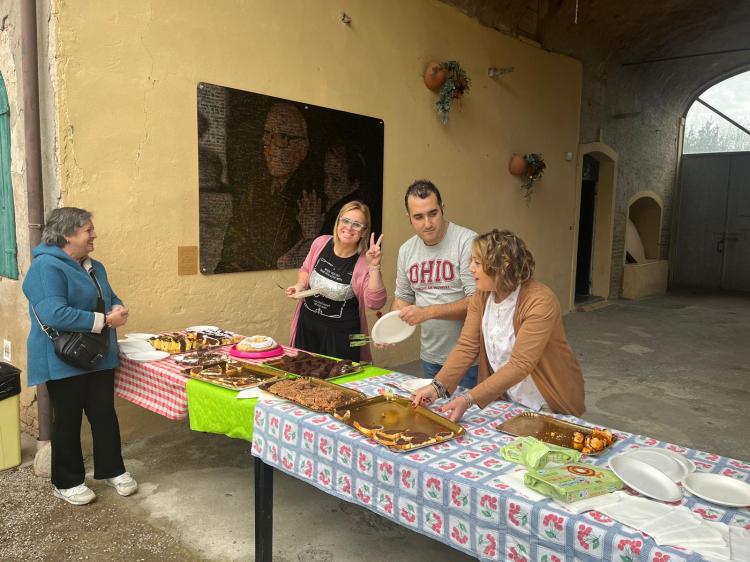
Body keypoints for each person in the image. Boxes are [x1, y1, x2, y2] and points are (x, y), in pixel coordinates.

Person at [22, 208, 137, 505]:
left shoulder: (95, 266)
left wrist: (116, 308)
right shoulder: (46, 267)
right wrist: (105, 321)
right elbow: (53, 313)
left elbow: (109, 297)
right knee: (68, 420)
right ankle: (67, 482)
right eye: (88, 230)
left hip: (98, 354)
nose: (94, 234)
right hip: (63, 357)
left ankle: (113, 470)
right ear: (66, 234)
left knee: (104, 414)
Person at [412, 229, 586, 422]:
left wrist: (469, 398)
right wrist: (437, 387)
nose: (470, 268)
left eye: (477, 263)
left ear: (502, 266)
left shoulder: (540, 301)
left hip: (547, 399)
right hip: (508, 397)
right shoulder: (482, 295)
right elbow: (467, 346)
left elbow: (520, 364)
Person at [390, 180, 479, 387]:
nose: (428, 223)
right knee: (434, 407)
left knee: (467, 408)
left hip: (467, 358)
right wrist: (389, 329)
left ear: (442, 208)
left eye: (433, 213)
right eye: (418, 217)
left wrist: (427, 312)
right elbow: (403, 298)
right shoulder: (406, 251)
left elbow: (478, 302)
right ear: (409, 218)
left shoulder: (467, 241)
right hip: (430, 355)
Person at [286, 201, 386, 362]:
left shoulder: (364, 262)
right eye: (345, 220)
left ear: (364, 231)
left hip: (342, 337)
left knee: (339, 377)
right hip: (307, 326)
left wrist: (374, 267)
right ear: (338, 222)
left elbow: (375, 303)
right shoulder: (321, 243)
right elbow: (306, 269)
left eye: (357, 224)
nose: (349, 227)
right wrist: (300, 285)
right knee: (301, 373)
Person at [216, 102, 311, 272]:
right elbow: (233, 245)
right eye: (267, 134)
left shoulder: (310, 199)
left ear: (302, 149)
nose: (269, 148)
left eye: (282, 137)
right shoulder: (255, 188)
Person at [277, 141, 370, 269]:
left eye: (336, 180)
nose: (327, 187)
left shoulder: (353, 218)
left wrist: (311, 236)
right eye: (326, 177)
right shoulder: (320, 208)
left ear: (354, 184)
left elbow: (330, 267)